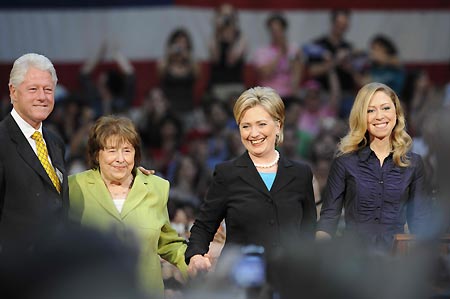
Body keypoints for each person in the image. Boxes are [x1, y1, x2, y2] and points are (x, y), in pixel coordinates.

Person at [185, 87, 317, 293]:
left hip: (291, 284)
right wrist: (194, 256)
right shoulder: (227, 173)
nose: (253, 134)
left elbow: (308, 233)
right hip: (241, 285)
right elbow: (203, 226)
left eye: (261, 124)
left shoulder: (301, 174)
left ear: (278, 125)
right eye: (245, 126)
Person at [68, 116, 188, 298]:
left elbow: (168, 243)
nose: (120, 159)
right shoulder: (74, 187)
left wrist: (194, 262)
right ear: (96, 154)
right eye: (111, 150)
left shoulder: (156, 187)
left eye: (127, 150)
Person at [316, 82, 430, 251]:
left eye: (385, 108)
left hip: (396, 260)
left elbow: (419, 223)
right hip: (354, 262)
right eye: (370, 110)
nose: (379, 116)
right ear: (361, 116)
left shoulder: (413, 164)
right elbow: (328, 219)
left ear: (397, 113)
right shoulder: (344, 163)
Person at [0, 53, 69, 252]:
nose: (42, 97)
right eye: (33, 89)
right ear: (13, 92)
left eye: (48, 90)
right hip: (16, 273)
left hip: (56, 269)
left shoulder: (55, 142)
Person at [253, 13, 302, 103]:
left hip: (289, 96)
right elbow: (265, 73)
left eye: (279, 30)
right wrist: (280, 54)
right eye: (273, 30)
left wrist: (294, 94)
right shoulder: (262, 51)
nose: (276, 33)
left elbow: (297, 74)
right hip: (268, 96)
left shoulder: (294, 49)